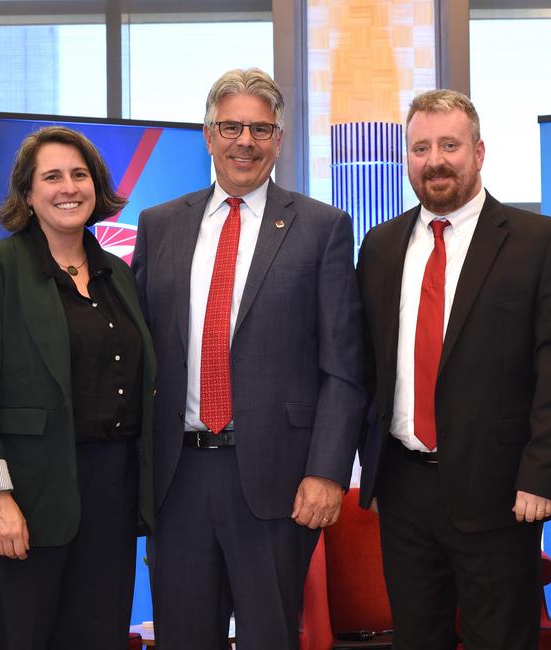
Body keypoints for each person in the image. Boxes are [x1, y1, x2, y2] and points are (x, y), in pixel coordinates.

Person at [132, 67, 364, 649]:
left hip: (278, 481)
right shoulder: (159, 225)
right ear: (208, 135)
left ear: (279, 141)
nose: (246, 141)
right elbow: (137, 353)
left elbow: (344, 365)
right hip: (176, 478)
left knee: (270, 637)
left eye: (261, 129)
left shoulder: (322, 228)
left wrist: (328, 471)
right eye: (231, 126)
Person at [356, 89, 551, 650]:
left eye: (450, 145)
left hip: (503, 492)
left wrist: (542, 476)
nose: (435, 159)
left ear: (479, 152)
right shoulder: (381, 245)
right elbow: (366, 363)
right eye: (420, 147)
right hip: (403, 486)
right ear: (406, 158)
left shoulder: (540, 241)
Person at [0, 125, 155, 649]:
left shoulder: (117, 274)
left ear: (97, 186)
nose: (69, 187)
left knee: (100, 637)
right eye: (53, 176)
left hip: (112, 494)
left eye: (80, 175)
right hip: (26, 497)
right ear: (27, 194)